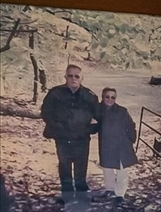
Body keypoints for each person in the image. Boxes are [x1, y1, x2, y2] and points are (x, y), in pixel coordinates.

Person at [40, 64, 99, 195]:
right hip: (62, 137)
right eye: (70, 76)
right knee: (64, 164)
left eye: (76, 76)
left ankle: (81, 192)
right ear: (65, 77)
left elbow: (98, 116)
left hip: (81, 137)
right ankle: (66, 193)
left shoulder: (89, 96)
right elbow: (45, 112)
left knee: (81, 164)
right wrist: (57, 127)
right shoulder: (55, 93)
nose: (73, 79)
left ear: (81, 78)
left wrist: (89, 129)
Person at [97, 88, 138, 202]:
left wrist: (130, 140)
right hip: (105, 144)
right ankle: (110, 189)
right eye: (107, 97)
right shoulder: (98, 110)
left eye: (113, 97)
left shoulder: (122, 111)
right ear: (103, 97)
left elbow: (131, 125)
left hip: (121, 144)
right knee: (107, 168)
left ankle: (120, 193)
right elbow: (92, 125)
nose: (110, 99)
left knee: (121, 169)